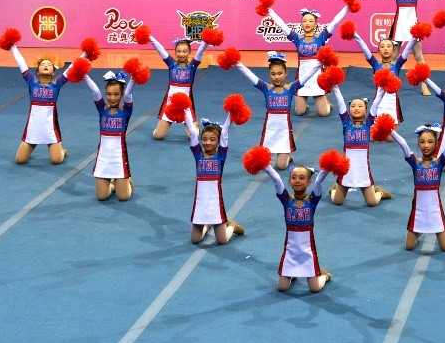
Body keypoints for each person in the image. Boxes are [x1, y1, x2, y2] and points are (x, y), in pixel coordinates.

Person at [244, 147, 348, 293]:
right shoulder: (286, 200)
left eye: (302, 178)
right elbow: (276, 180)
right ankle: (292, 274)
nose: (297, 181)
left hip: (307, 252)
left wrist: (329, 167)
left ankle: (323, 276)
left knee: (315, 288)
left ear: (308, 182)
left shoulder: (312, 201)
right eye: (294, 177)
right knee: (282, 287)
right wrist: (265, 165)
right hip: (291, 252)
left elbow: (319, 182)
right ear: (290, 181)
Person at [377, 119, 445, 252]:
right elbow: (403, 144)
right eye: (422, 142)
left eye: (430, 142)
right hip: (418, 211)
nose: (426, 145)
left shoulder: (440, 163)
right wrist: (389, 129)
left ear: (436, 143)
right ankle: (420, 230)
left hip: (435, 211)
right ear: (418, 144)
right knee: (409, 247)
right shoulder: (415, 163)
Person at [366, 0, 445, 95]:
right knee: (393, 57)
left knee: (418, 56)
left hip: (413, 25)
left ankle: (424, 85)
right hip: (398, 25)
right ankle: (390, 82)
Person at [0, 27, 86, 165]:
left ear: (53, 72)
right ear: (38, 71)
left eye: (49, 65)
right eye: (43, 64)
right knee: (20, 160)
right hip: (33, 127)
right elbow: (21, 63)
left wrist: (86, 53)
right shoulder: (32, 82)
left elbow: (72, 67)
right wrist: (12, 45)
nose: (45, 65)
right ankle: (34, 146)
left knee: (56, 160)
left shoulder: (57, 84)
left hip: (50, 127)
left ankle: (61, 151)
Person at [257, 0, 353, 117]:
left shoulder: (321, 37)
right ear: (301, 23)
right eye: (304, 21)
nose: (307, 23)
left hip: (317, 78)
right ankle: (304, 104)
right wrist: (269, 10)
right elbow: (282, 25)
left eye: (311, 21)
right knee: (299, 112)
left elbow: (335, 22)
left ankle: (327, 104)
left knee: (323, 113)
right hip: (302, 78)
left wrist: (347, 7)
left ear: (316, 24)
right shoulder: (297, 38)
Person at [171, 95, 247, 244]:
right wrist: (184, 110)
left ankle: (231, 226)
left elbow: (225, 132)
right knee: (195, 239)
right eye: (204, 139)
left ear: (218, 142)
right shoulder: (198, 155)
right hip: (200, 202)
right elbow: (193, 133)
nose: (208, 142)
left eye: (212, 139)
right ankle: (208, 225)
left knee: (222, 241)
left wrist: (232, 113)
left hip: (215, 203)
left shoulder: (221, 157)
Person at [229, 51, 322, 169]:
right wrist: (236, 62)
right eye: (273, 74)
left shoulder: (291, 88)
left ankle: (287, 157)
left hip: (284, 132)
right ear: (269, 74)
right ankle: (285, 156)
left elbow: (308, 75)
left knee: (281, 166)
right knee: (262, 163)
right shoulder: (266, 88)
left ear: (286, 73)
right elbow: (249, 75)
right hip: (270, 130)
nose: (277, 77)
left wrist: (321, 62)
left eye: (280, 73)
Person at [138, 24, 214, 140]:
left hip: (186, 104)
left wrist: (206, 41)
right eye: (178, 51)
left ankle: (196, 125)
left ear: (189, 52)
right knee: (158, 136)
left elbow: (200, 52)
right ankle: (161, 128)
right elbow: (160, 49)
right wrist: (149, 37)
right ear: (175, 52)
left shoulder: (193, 66)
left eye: (184, 51)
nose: (181, 54)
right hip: (170, 103)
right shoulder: (171, 64)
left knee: (192, 136)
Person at [328, 85, 393, 206]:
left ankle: (379, 192)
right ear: (349, 110)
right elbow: (341, 103)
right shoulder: (346, 123)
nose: (356, 108)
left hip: (363, 169)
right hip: (347, 169)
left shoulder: (368, 124)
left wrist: (382, 90)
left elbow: (375, 104)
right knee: (337, 201)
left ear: (366, 111)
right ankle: (333, 189)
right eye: (353, 106)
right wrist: (335, 86)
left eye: (360, 106)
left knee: (372, 202)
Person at [83, 69, 137, 201]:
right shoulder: (102, 109)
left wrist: (134, 76)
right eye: (109, 94)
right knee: (101, 197)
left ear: (122, 94)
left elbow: (129, 93)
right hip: (103, 158)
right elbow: (96, 92)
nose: (112, 98)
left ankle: (128, 182)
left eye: (116, 94)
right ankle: (113, 185)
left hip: (119, 158)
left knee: (123, 197)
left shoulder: (126, 111)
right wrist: (84, 75)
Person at [348, 27, 414, 122]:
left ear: (394, 50)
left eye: (388, 46)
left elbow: (407, 50)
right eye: (382, 46)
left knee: (391, 132)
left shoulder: (397, 65)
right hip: (378, 104)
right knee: (377, 131)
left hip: (393, 104)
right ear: (378, 50)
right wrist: (355, 34)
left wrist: (415, 37)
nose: (385, 49)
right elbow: (364, 48)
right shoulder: (375, 64)